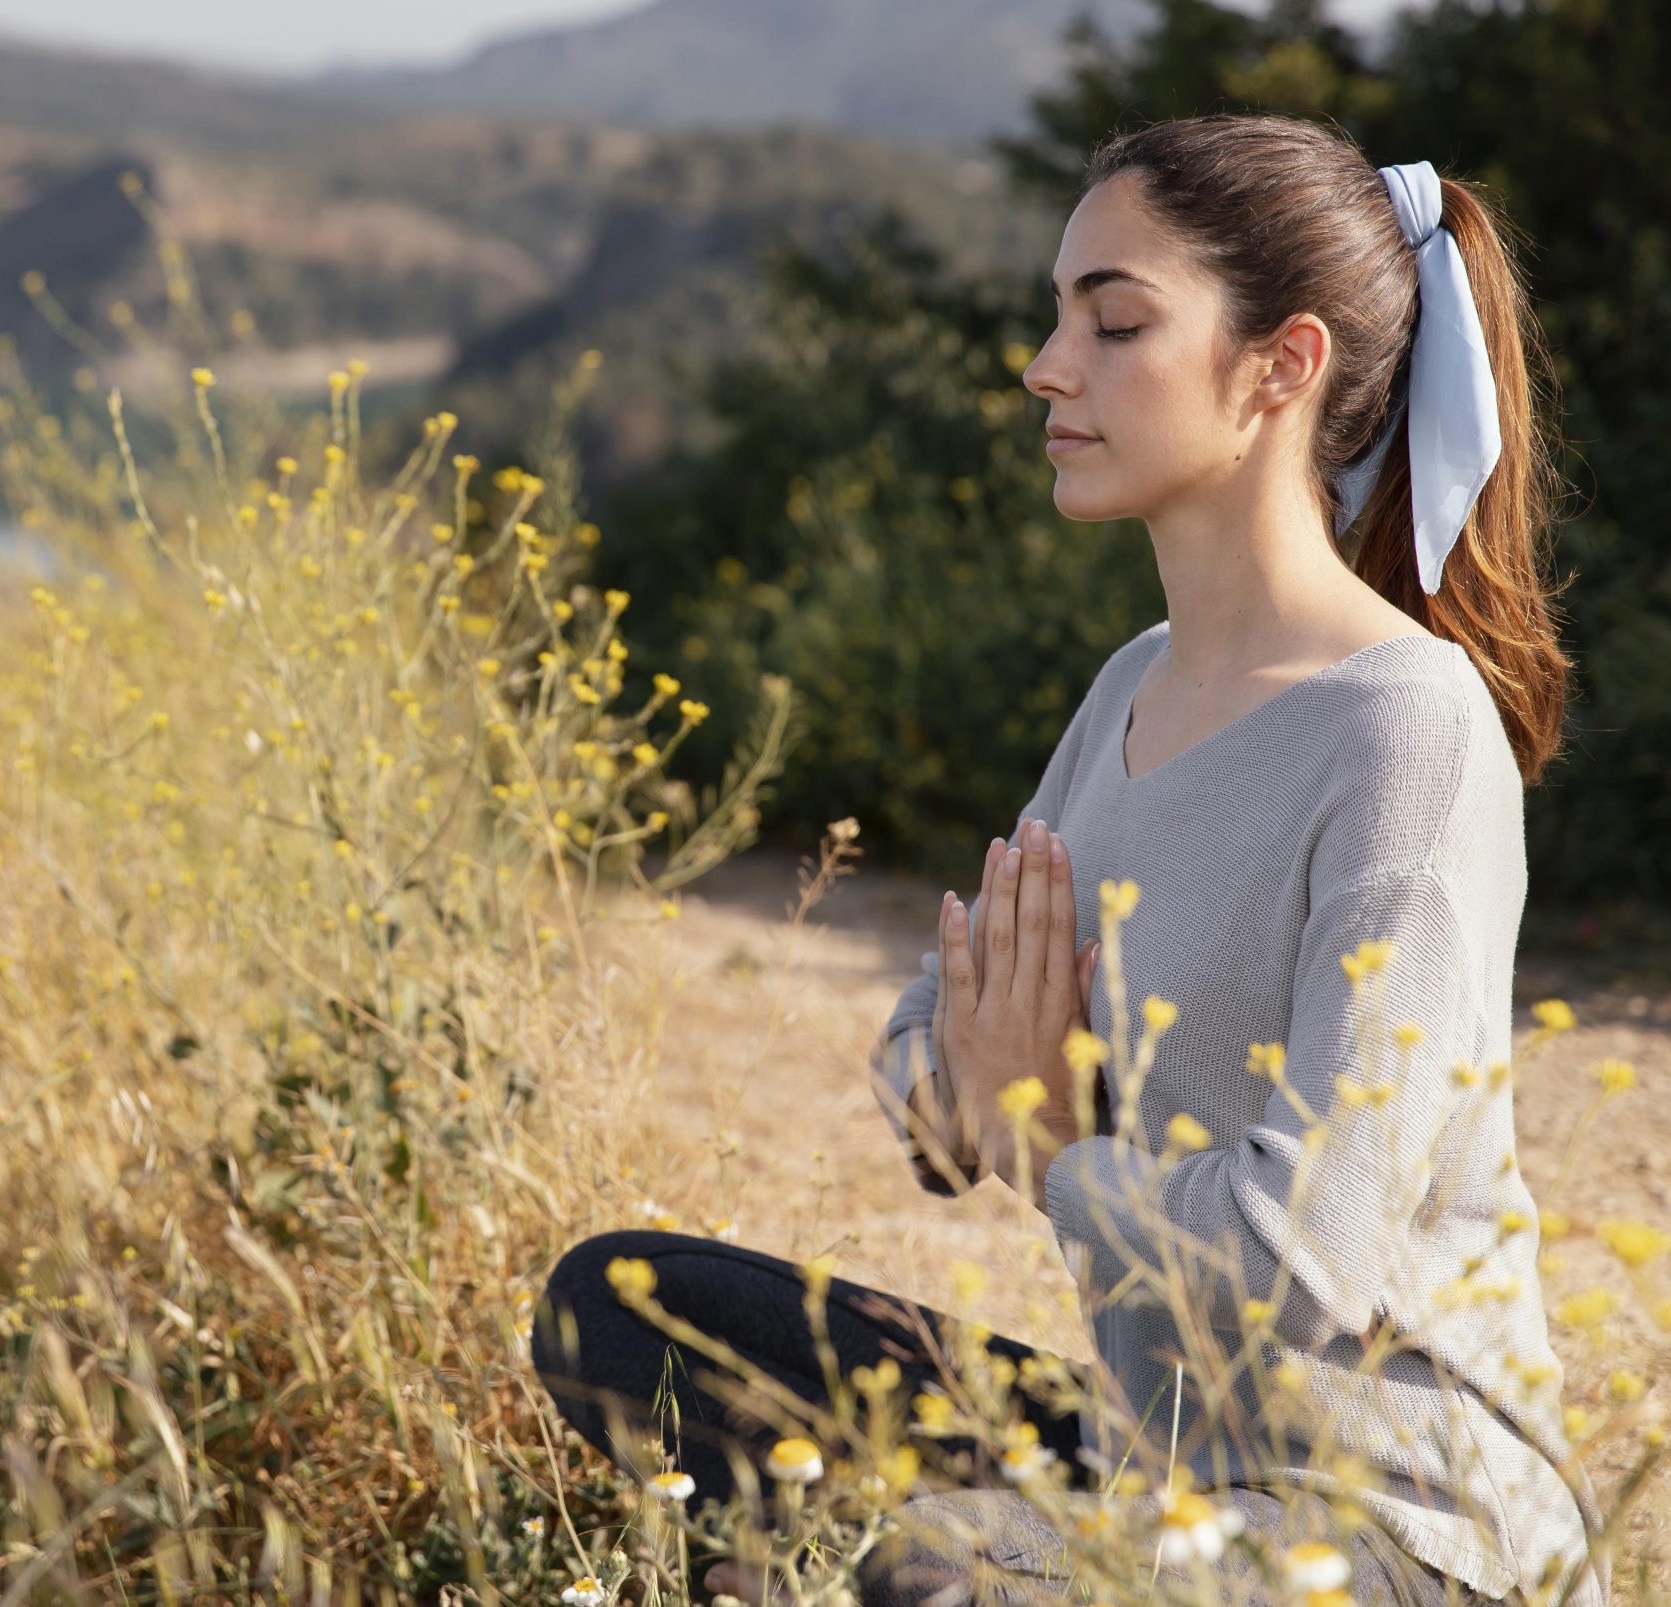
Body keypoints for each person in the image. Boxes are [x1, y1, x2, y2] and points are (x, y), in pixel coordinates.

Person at [530, 112, 1603, 1606]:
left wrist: (1052, 1143)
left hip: (1395, 1527)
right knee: (622, 1314)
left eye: (1114, 322)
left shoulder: (1406, 733)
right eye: (1057, 318)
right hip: (1161, 1460)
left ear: (1280, 367)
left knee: (937, 1572)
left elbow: (1311, 1261)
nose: (1050, 365)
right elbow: (932, 1031)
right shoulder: (1137, 686)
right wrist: (996, 1089)